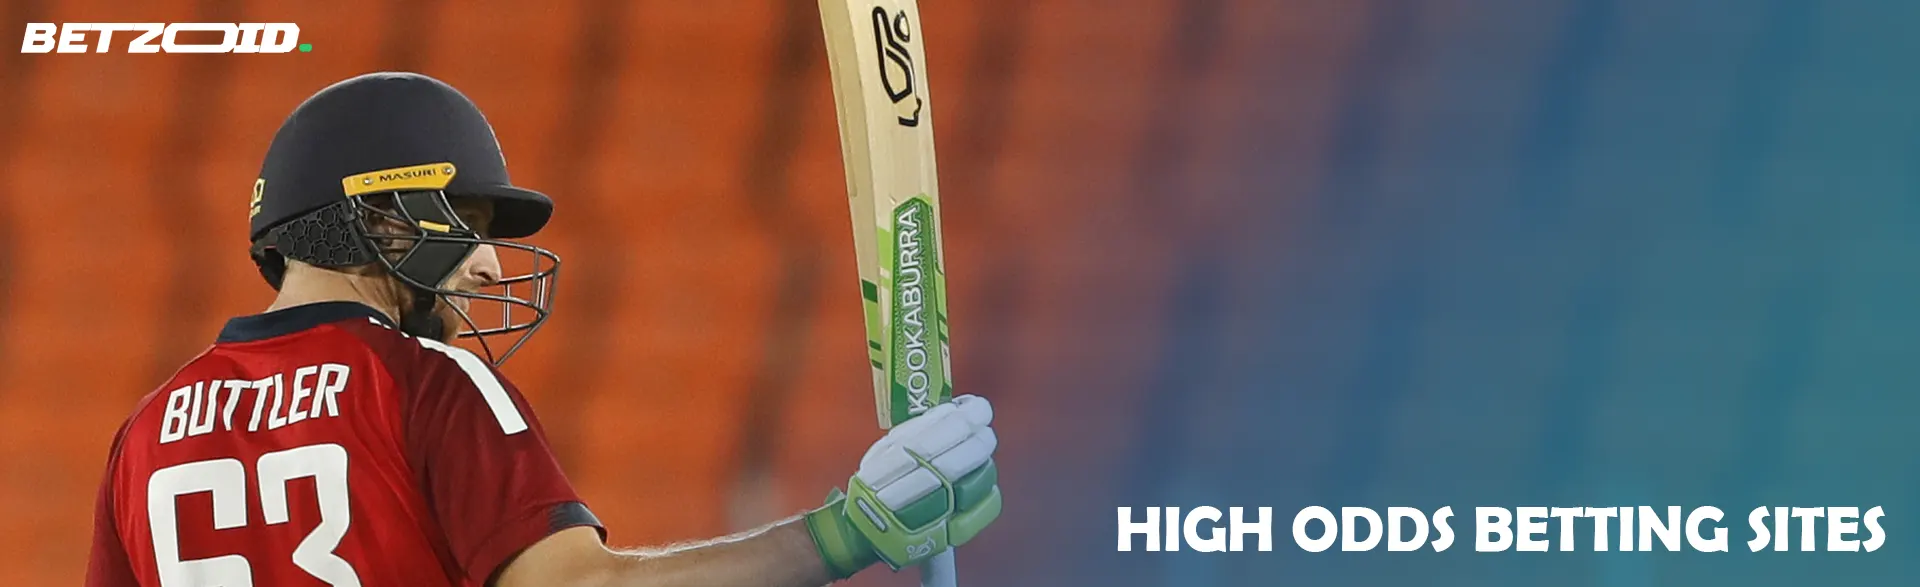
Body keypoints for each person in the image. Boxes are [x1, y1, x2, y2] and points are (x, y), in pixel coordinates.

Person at [83, 71, 1002, 587]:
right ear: (386, 219)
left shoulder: (143, 433)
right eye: (468, 224)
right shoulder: (426, 383)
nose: (487, 265)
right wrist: (844, 533)